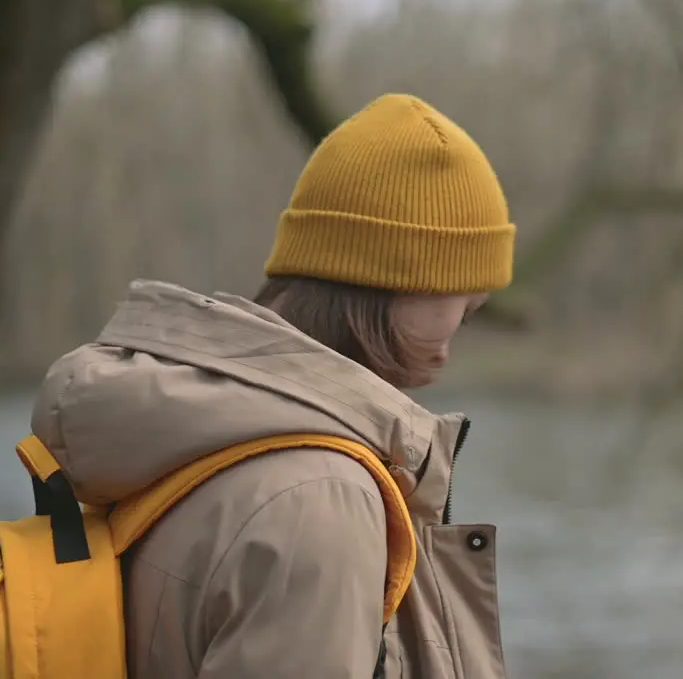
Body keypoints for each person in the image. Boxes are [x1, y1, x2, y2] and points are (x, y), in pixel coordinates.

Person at [29, 94, 515, 678]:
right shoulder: (317, 500)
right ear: (403, 281)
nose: (463, 324)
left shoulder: (189, 441)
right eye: (467, 301)